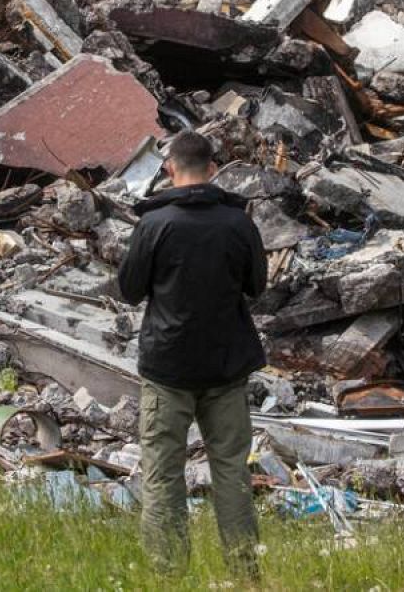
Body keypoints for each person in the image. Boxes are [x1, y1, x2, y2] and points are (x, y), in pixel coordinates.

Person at [118, 131, 267, 576]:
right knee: (232, 472)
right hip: (226, 366)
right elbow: (257, 286)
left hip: (167, 368)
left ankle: (168, 573)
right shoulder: (239, 223)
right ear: (213, 167)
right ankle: (245, 573)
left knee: (163, 473)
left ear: (169, 168)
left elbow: (128, 290)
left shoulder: (154, 224)